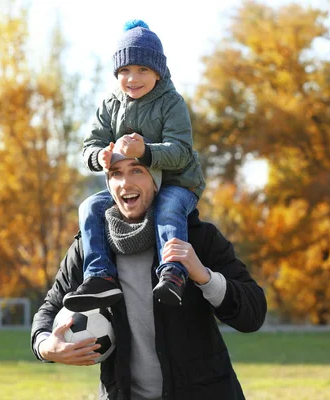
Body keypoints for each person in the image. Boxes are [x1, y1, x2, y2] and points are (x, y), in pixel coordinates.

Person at [31, 152, 267, 400]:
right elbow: (50, 307)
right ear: (109, 185)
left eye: (137, 170)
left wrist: (204, 277)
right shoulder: (91, 249)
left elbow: (253, 314)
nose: (125, 183)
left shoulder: (197, 237)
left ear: (156, 181)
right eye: (116, 173)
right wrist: (46, 346)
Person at [63, 19, 206, 312]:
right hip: (131, 187)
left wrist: (146, 151)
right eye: (125, 70)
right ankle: (100, 275)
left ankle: (173, 272)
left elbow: (181, 151)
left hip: (177, 182)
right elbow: (89, 145)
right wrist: (99, 156)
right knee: (89, 207)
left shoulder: (171, 102)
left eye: (142, 69)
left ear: (158, 71)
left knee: (168, 207)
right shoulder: (110, 105)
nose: (133, 78)